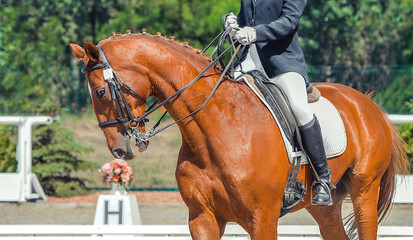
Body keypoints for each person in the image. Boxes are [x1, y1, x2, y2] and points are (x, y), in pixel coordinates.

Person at [225, 0, 333, 205]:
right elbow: (244, 27)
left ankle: (323, 180)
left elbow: (289, 22)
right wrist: (234, 31)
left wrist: (255, 33)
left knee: (299, 108)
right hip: (247, 62)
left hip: (281, 63)